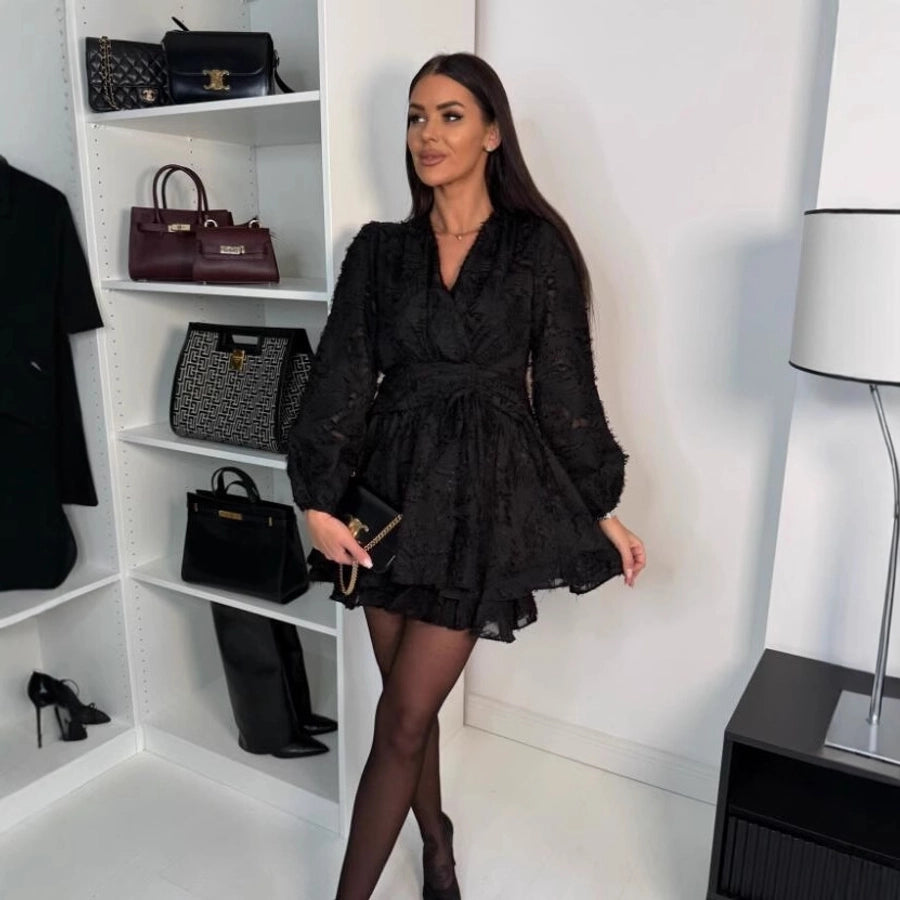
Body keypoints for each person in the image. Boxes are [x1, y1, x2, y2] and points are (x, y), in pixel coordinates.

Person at [287, 52, 646, 900]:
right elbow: (340, 378)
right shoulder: (379, 252)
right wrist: (315, 501)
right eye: (416, 116)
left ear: (492, 133)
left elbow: (565, 390)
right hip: (384, 501)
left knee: (403, 718)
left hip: (479, 503)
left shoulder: (535, 250)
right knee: (404, 716)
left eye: (451, 115)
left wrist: (600, 508)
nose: (428, 134)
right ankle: (438, 845)